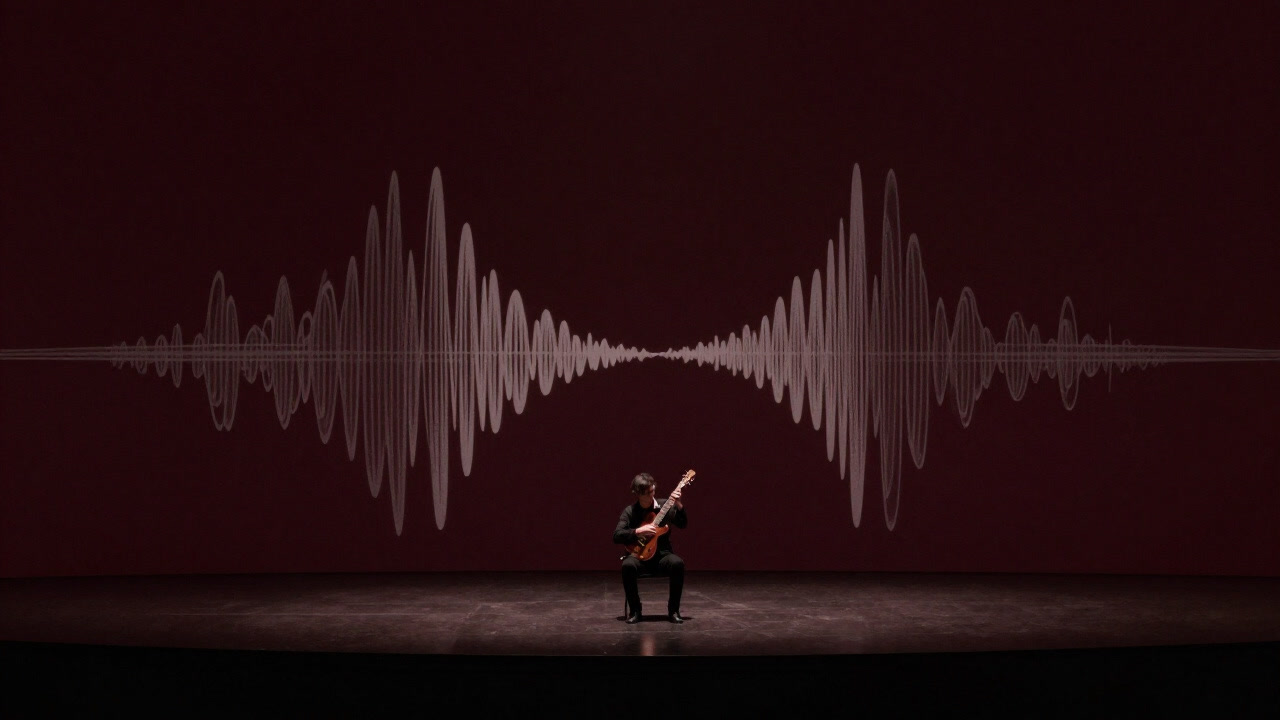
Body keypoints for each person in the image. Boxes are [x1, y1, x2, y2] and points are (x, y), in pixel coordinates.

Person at [613, 472, 687, 623]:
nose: (652, 494)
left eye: (653, 490)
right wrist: (638, 531)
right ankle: (635, 611)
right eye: (648, 493)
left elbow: (683, 524)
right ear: (638, 494)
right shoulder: (630, 511)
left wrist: (679, 505)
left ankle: (673, 611)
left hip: (662, 556)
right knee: (627, 565)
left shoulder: (664, 506)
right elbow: (617, 535)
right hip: (640, 558)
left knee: (677, 563)